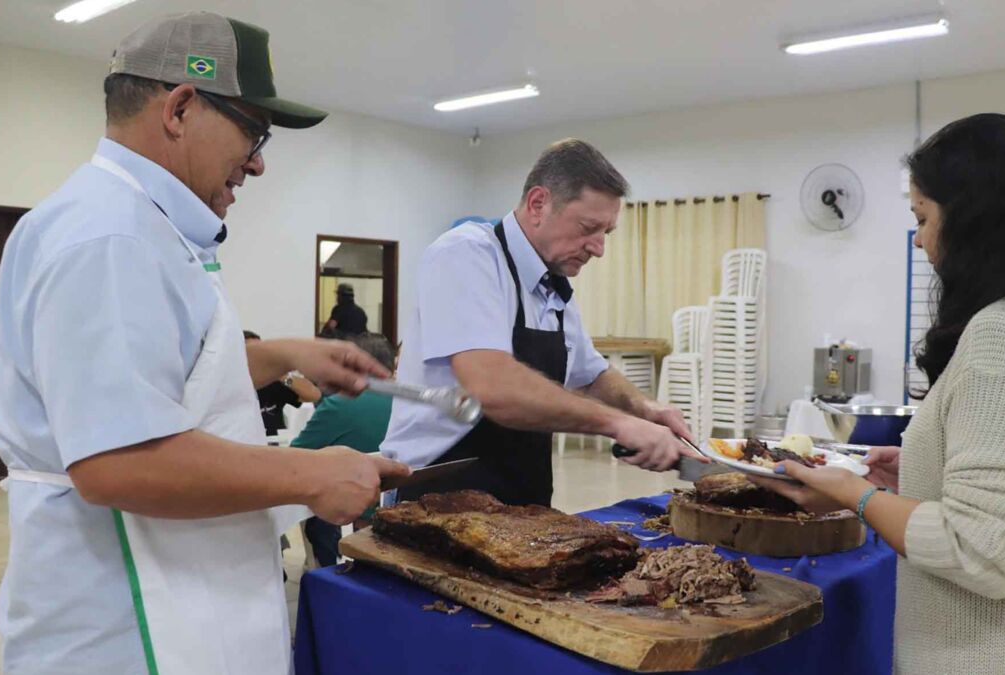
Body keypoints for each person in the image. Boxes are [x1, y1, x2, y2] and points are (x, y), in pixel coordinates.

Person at [0, 12, 410, 674]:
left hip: (172, 590)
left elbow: (150, 376)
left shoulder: (142, 226)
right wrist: (313, 472)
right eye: (253, 130)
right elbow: (117, 459)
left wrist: (285, 355)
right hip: (125, 625)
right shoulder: (110, 238)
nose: (260, 162)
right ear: (181, 107)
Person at [752, 114, 1005, 672]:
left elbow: (983, 554)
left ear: (977, 221)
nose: (919, 239)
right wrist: (923, 470)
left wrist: (855, 495)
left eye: (923, 217)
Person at [381, 138, 704, 506]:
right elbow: (494, 387)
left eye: (606, 233)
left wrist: (646, 409)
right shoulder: (466, 254)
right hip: (434, 494)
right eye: (588, 228)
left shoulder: (553, 286)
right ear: (538, 204)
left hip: (521, 499)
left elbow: (591, 373)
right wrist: (619, 424)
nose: (598, 248)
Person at [293, 332, 398, 567]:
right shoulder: (412, 404)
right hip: (402, 506)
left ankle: (324, 570)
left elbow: (297, 454)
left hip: (356, 514)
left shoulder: (338, 405)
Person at [244, 330, 322, 435]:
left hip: (274, 445)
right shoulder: (228, 387)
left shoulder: (272, 382)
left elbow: (313, 395)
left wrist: (281, 375)